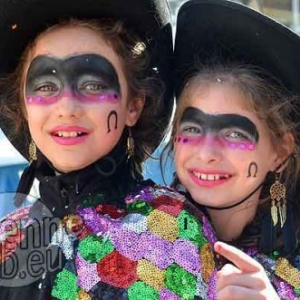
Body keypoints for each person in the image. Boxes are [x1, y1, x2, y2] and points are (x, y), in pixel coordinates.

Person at [0, 1, 220, 300]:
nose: (66, 107)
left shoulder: (173, 227)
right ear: (24, 108)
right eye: (46, 86)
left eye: (92, 84)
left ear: (133, 105)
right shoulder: (9, 234)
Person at [167, 0, 300, 299]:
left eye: (233, 133)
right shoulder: (132, 235)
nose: (206, 153)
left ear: (280, 152)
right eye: (192, 129)